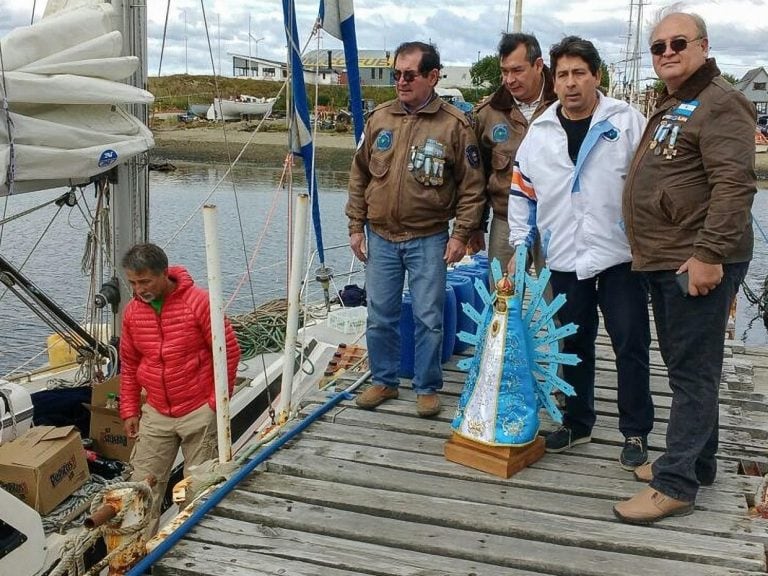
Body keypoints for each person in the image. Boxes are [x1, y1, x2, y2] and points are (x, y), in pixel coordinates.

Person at [614, 10, 756, 524]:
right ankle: (698, 461)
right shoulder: (679, 101)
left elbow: (734, 185)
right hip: (666, 256)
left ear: (702, 45)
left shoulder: (722, 103)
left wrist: (709, 255)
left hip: (695, 258)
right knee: (684, 368)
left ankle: (676, 485)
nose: (667, 52)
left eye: (677, 43)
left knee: (692, 374)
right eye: (658, 47)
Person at [507, 36, 654, 468]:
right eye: (563, 75)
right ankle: (577, 422)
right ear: (553, 80)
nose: (570, 84)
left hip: (619, 257)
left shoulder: (626, 122)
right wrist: (521, 242)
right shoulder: (539, 133)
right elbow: (522, 192)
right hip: (565, 258)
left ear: (596, 76)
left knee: (631, 343)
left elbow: (651, 183)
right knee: (572, 343)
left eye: (579, 74)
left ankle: (635, 432)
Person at [346, 41, 485, 418]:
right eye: (396, 75)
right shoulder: (378, 120)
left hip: (429, 237)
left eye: (410, 75)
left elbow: (473, 187)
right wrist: (355, 226)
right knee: (379, 316)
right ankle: (384, 381)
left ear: (433, 76)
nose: (401, 82)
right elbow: (359, 174)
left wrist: (461, 235)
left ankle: (426, 387)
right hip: (380, 237)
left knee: (429, 317)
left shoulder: (455, 125)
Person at [118, 243, 241, 534]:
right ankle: (138, 553)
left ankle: (190, 544)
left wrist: (214, 403)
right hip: (157, 410)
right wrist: (130, 409)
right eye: (132, 283)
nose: (139, 289)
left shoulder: (199, 303)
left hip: (198, 408)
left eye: (145, 281)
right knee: (142, 488)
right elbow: (129, 364)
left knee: (198, 487)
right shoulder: (133, 313)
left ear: (164, 274)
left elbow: (229, 353)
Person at [471, 32, 556, 269]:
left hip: (556, 222)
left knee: (558, 300)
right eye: (504, 71)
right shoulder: (488, 114)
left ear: (538, 65)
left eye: (517, 70)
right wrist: (476, 226)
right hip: (505, 219)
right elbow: (477, 176)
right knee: (503, 299)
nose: (509, 79)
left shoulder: (564, 106)